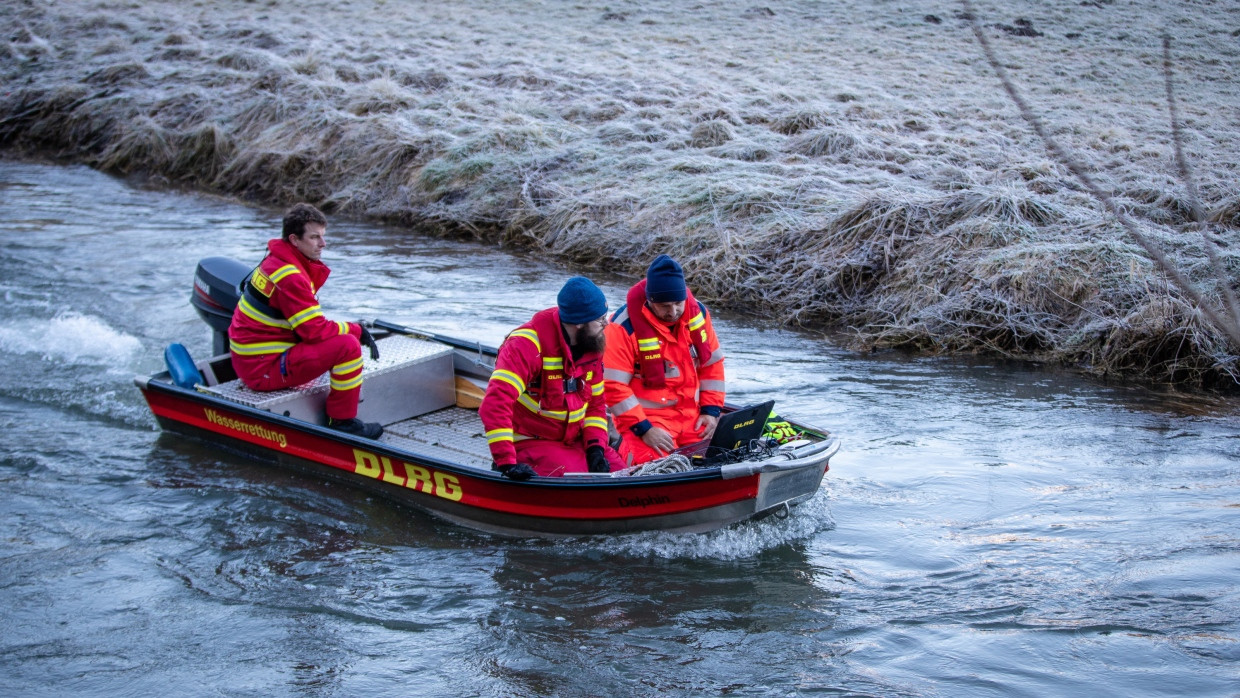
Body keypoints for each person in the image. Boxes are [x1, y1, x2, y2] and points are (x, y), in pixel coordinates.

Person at [227, 203, 383, 438]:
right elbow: (314, 330)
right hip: (262, 369)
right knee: (347, 347)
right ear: (294, 240)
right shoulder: (290, 277)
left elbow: (306, 325)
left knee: (340, 337)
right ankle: (342, 422)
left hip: (253, 358)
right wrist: (356, 330)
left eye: (323, 236)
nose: (323, 244)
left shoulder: (276, 260)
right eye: (315, 237)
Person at [479, 277, 626, 480]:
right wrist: (507, 462)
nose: (606, 324)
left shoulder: (592, 344)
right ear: (579, 323)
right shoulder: (526, 346)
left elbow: (596, 405)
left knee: (622, 472)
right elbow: (495, 404)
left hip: (574, 438)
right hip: (531, 441)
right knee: (581, 482)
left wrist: (595, 448)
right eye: (600, 319)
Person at [603, 254, 726, 465]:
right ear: (650, 301)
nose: (673, 312)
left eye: (678, 303)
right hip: (646, 420)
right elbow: (613, 386)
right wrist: (644, 429)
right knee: (653, 467)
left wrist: (711, 411)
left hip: (693, 416)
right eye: (665, 306)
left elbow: (712, 365)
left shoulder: (699, 315)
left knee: (722, 455)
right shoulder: (621, 328)